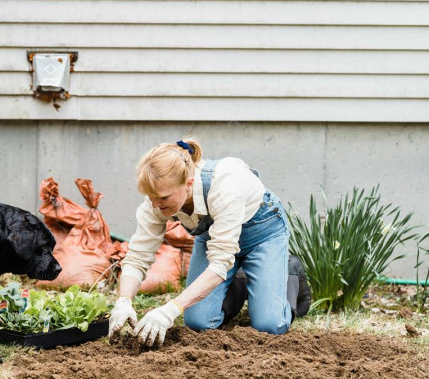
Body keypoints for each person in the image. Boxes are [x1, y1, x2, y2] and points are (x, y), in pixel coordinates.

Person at [108, 136, 308, 347]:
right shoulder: (157, 200)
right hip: (216, 241)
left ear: (189, 184)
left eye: (164, 198)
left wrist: (170, 309)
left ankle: (290, 271)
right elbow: (138, 255)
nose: (156, 205)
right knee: (198, 322)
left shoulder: (224, 187)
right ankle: (239, 280)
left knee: (270, 326)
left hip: (262, 234)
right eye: (151, 197)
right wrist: (124, 301)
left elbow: (220, 263)